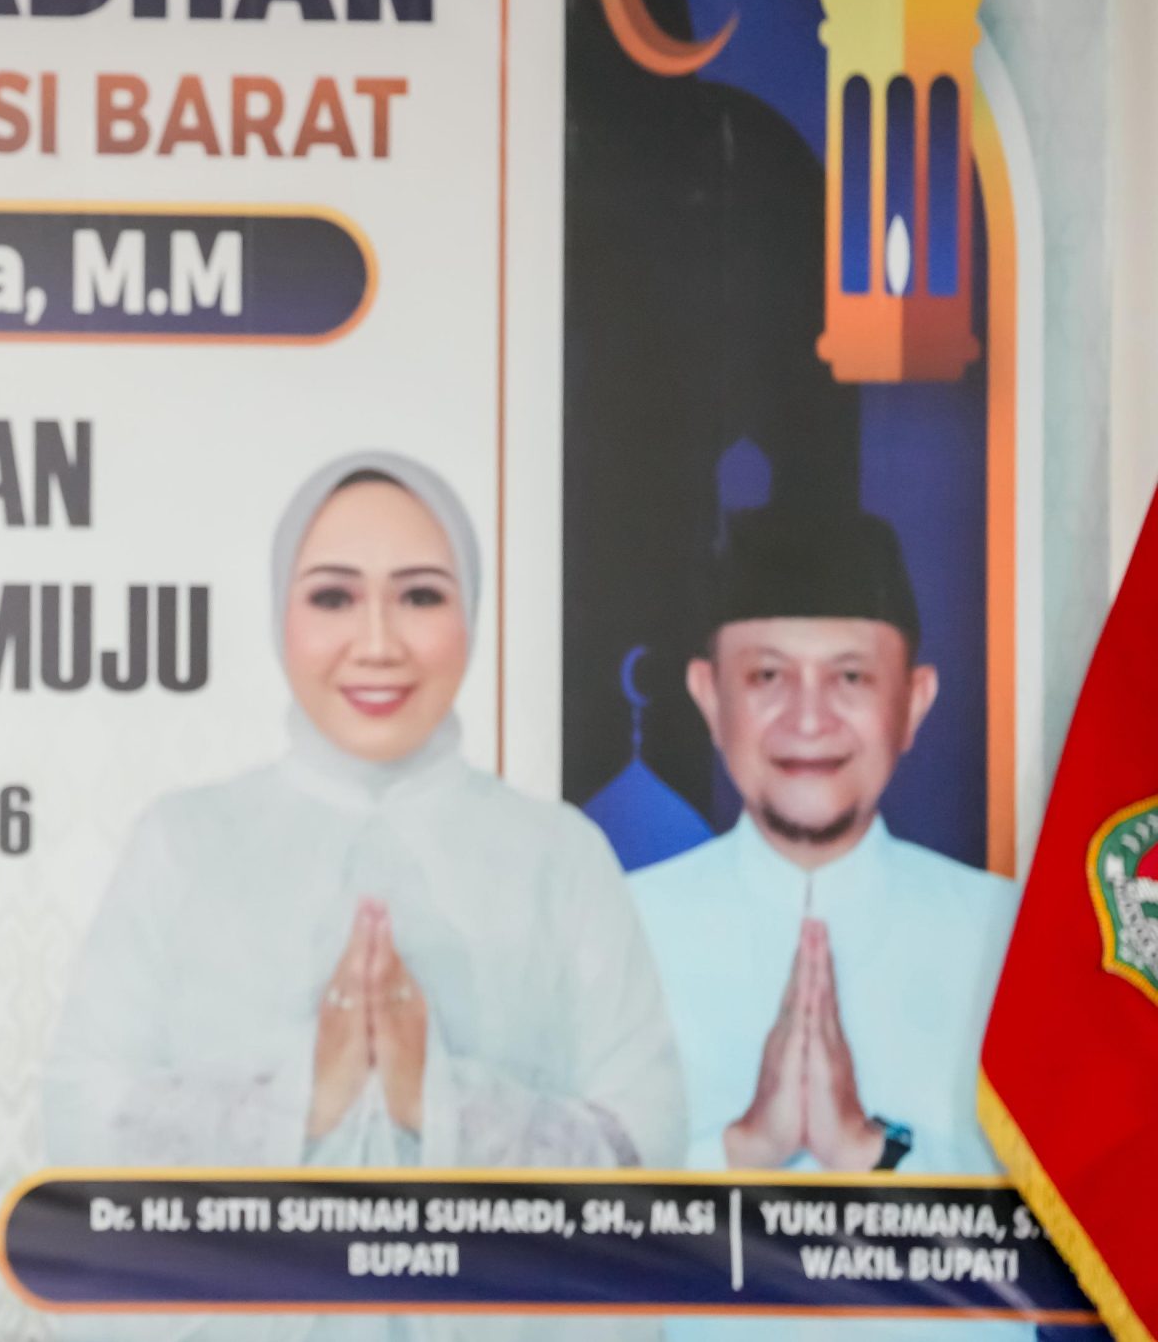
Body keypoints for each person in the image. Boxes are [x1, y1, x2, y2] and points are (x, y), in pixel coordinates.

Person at [43, 453, 683, 1340]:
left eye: (419, 595)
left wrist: (437, 1099)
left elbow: (646, 1153)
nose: (377, 642)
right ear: (280, 612)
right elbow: (81, 1129)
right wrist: (306, 1096)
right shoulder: (184, 843)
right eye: (334, 596)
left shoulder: (559, 854)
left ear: (471, 609)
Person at [629, 503, 1021, 1340]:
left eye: (850, 678)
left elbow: (1080, 1262)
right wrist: (739, 1152)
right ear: (708, 695)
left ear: (914, 701)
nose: (808, 719)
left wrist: (871, 1155)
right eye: (767, 676)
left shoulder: (1015, 937)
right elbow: (547, 1251)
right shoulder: (617, 930)